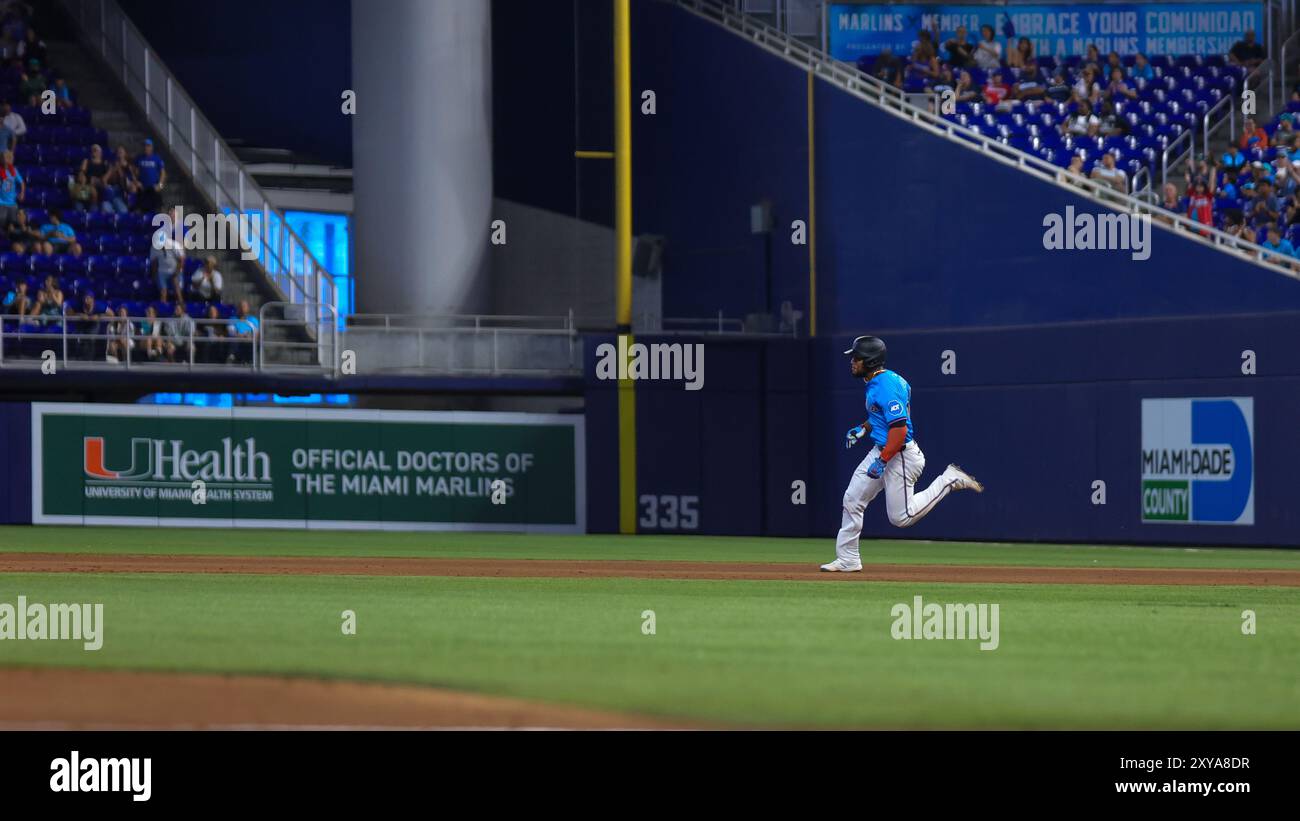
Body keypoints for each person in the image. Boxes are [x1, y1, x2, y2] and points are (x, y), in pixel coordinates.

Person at [821, 335, 983, 572]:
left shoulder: (885, 386)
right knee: (852, 499)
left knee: (901, 518)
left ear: (871, 361)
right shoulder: (881, 381)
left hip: (900, 455)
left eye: (856, 358)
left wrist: (883, 460)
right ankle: (848, 559)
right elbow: (882, 416)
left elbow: (899, 428)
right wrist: (864, 429)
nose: (852, 361)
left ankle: (949, 480)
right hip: (884, 449)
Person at [149, 229, 184, 302]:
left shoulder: (175, 245)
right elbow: (154, 262)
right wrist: (154, 275)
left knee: (177, 290)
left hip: (175, 270)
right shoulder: (154, 248)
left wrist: (176, 273)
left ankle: (182, 308)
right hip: (162, 271)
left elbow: (181, 259)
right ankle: (163, 310)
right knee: (163, 292)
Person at [134, 138, 165, 214]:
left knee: (157, 209)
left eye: (148, 146)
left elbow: (163, 173)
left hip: (154, 188)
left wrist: (160, 186)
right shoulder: (139, 158)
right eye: (145, 146)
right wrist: (136, 182)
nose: (146, 147)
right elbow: (134, 172)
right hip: (143, 188)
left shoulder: (157, 158)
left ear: (152, 147)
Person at [228, 300, 259, 364]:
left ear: (248, 308)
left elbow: (256, 333)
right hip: (237, 340)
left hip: (250, 340)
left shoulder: (253, 319)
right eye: (240, 307)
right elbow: (232, 332)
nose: (242, 308)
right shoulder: (232, 319)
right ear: (237, 308)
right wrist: (244, 336)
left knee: (253, 343)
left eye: (244, 306)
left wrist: (248, 336)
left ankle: (249, 361)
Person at [0, 149, 23, 229]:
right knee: (1, 221)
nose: (10, 159)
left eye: (11, 157)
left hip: (12, 202)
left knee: (14, 222)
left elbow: (22, 182)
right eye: (7, 157)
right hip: (1, 202)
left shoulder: (14, 170)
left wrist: (22, 193)